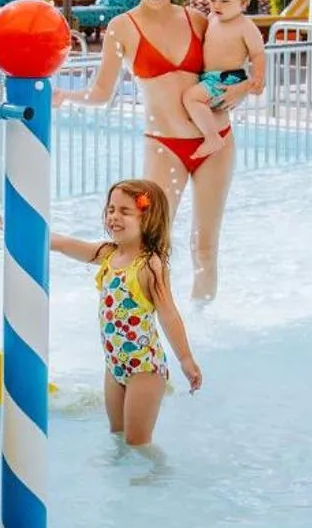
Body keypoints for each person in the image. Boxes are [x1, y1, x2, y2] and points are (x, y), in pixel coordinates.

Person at [55, 0, 250, 301]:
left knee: (205, 245)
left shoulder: (199, 21)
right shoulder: (121, 28)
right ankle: (153, 326)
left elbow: (230, 71)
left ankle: (201, 325)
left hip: (215, 142)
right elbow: (101, 93)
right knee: (151, 246)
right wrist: (68, 96)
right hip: (164, 146)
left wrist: (241, 91)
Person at [49, 178, 201, 448]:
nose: (114, 217)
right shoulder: (107, 254)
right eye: (110, 210)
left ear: (147, 218)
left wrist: (186, 359)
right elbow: (63, 244)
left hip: (144, 368)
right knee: (117, 437)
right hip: (115, 365)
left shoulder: (149, 265)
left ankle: (154, 482)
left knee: (137, 442)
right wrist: (22, 229)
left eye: (124, 211)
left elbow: (168, 314)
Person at [183, 0, 266, 160]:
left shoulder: (245, 26)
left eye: (224, 1)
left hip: (227, 78)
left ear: (243, 3)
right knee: (195, 102)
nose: (217, 5)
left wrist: (258, 77)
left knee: (190, 98)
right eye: (212, 0)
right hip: (211, 77)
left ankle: (212, 138)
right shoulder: (212, 18)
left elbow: (258, 53)